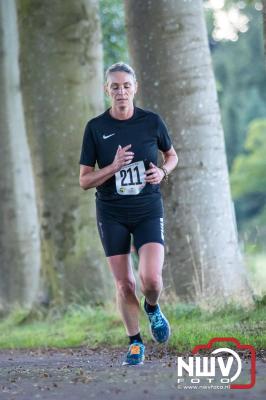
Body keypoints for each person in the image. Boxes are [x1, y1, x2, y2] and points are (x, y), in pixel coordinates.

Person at [79, 62, 178, 366]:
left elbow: (172, 155)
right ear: (106, 91)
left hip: (148, 208)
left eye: (126, 86)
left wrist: (162, 171)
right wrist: (113, 167)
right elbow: (84, 180)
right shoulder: (96, 128)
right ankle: (135, 343)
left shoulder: (151, 122)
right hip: (112, 213)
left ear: (135, 87)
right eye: (115, 87)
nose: (121, 92)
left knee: (150, 279)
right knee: (124, 284)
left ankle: (152, 307)